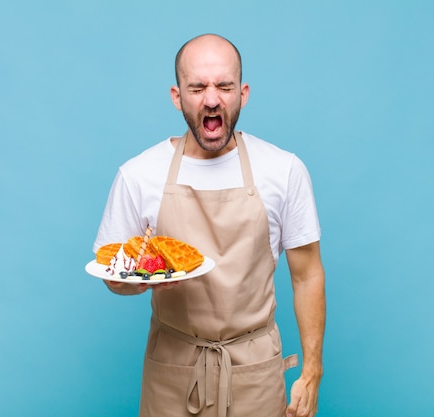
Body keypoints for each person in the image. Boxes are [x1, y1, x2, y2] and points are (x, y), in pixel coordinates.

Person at [93, 33, 326, 417]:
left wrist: (312, 370)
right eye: (197, 87)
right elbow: (115, 273)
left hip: (255, 371)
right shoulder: (138, 175)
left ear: (243, 93)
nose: (212, 98)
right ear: (177, 95)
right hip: (173, 368)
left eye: (224, 86)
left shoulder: (283, 170)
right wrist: (127, 282)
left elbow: (307, 275)